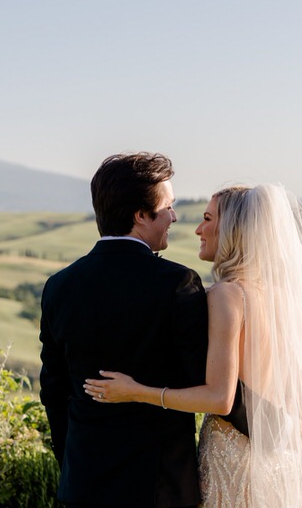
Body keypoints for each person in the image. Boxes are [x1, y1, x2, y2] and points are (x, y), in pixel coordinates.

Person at [84, 184, 302, 507]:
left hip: (235, 463)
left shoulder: (227, 296)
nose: (199, 228)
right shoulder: (286, 300)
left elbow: (220, 399)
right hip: (282, 462)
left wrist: (135, 391)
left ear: (231, 230)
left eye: (208, 218)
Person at [39, 152, 209, 507]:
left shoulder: (59, 286)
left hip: (82, 486)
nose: (174, 217)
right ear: (140, 216)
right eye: (168, 208)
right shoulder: (177, 283)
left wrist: (74, 467)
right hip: (158, 487)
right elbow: (202, 381)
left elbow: (55, 392)